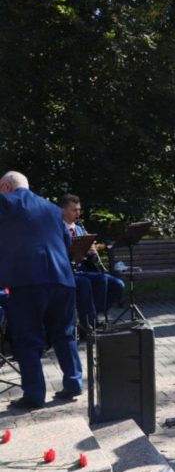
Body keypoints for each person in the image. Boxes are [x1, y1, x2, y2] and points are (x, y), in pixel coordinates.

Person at [0, 171, 83, 409]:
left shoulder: (5, 201)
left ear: (6, 186)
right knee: (64, 333)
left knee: (28, 339)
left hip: (27, 281)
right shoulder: (52, 209)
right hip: (62, 279)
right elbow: (66, 244)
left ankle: (34, 395)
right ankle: (73, 383)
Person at [60, 194, 125, 324]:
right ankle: (90, 322)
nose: (78, 213)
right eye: (74, 210)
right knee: (97, 281)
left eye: (79, 209)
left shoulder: (79, 228)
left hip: (83, 270)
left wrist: (92, 252)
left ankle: (97, 315)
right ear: (63, 210)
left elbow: (89, 259)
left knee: (118, 284)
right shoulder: (57, 229)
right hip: (67, 271)